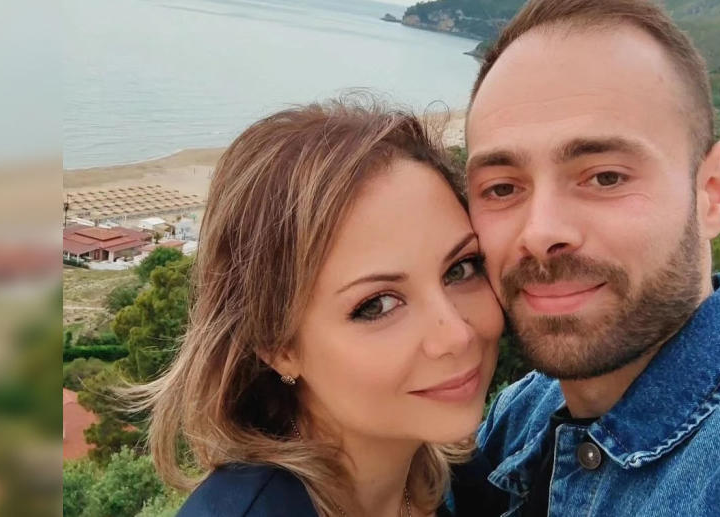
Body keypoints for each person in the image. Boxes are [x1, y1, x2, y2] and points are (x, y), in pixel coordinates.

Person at [454, 0, 720, 515]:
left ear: (712, 193)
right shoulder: (519, 414)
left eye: (605, 177)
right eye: (502, 187)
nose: (541, 232)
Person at [131, 99, 504, 517]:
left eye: (460, 269)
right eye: (377, 305)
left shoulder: (459, 478)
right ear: (278, 346)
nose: (457, 334)